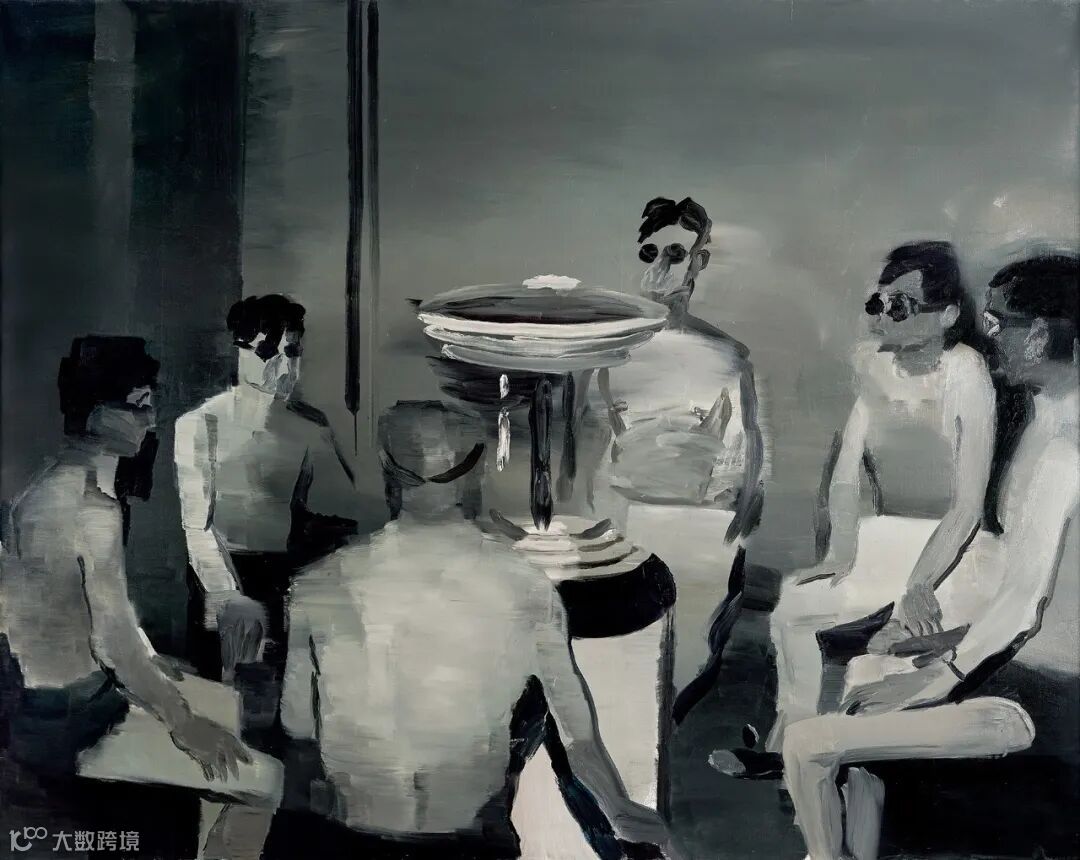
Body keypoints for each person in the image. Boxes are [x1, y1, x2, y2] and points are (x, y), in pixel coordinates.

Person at [277, 401, 684, 860]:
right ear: (479, 473)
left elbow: (298, 730)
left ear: (387, 472)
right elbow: (580, 740)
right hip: (470, 844)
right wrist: (619, 809)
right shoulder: (527, 588)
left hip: (350, 841)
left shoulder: (315, 586)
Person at [780, 252, 1079, 860]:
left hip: (1042, 701)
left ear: (1038, 334)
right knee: (869, 672)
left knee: (807, 746)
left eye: (997, 322)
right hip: (1020, 666)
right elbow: (1030, 607)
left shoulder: (1064, 449)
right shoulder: (1047, 421)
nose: (986, 335)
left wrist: (935, 678)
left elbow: (1027, 607)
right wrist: (939, 647)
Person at [712, 240, 998, 776]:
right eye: (879, 303)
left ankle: (835, 747)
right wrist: (840, 553)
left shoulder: (966, 372)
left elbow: (968, 504)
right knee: (795, 607)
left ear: (947, 315)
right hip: (884, 537)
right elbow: (846, 472)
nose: (884, 316)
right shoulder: (872, 364)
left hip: (953, 545)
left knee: (887, 639)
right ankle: (788, 743)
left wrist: (920, 582)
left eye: (901, 306)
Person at [0, 337, 282, 860]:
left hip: (46, 702)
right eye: (139, 405)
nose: (151, 420)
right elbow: (111, 641)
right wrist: (182, 723)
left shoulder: (37, 495)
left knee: (225, 706)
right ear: (97, 413)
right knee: (266, 782)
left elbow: (70, 617)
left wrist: (149, 663)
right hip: (75, 720)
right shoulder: (92, 510)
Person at [175, 294, 358, 684]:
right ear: (239, 350)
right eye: (267, 352)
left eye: (292, 353)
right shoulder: (200, 423)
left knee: (283, 686)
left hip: (285, 576)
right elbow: (196, 527)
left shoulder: (310, 427)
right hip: (218, 572)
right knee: (221, 691)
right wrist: (226, 594)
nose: (283, 367)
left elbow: (338, 510)